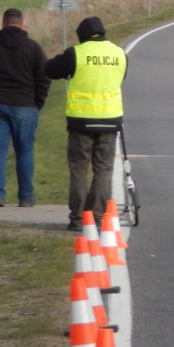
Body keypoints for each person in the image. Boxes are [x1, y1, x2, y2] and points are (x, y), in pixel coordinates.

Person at [45, 16, 128, 231]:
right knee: (103, 169)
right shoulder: (119, 53)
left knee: (79, 169)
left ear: (81, 36)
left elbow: (51, 70)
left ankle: (78, 219)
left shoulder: (76, 53)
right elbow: (121, 77)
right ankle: (97, 216)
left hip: (81, 122)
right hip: (110, 121)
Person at [0, 8, 51, 207]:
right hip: (25, 105)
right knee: (24, 151)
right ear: (22, 25)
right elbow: (44, 78)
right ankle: (25, 197)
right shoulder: (33, 48)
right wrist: (37, 103)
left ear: (2, 25)